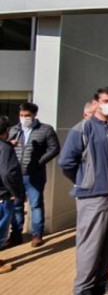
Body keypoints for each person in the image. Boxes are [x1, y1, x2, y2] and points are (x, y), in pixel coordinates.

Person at [59, 86, 108, 295]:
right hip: (93, 197)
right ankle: (84, 288)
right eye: (106, 100)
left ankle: (101, 281)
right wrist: (86, 181)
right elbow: (66, 162)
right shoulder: (83, 128)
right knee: (90, 245)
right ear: (96, 102)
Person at [7, 102, 60, 248]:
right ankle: (16, 234)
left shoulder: (45, 130)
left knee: (36, 204)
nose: (24, 118)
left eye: (27, 116)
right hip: (16, 174)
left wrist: (40, 161)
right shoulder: (13, 130)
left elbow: (54, 148)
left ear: (35, 115)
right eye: (22, 115)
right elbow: (5, 148)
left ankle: (37, 234)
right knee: (17, 205)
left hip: (34, 174)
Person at [0, 115, 24, 274]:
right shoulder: (5, 148)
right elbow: (9, 173)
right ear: (6, 131)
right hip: (2, 195)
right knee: (1, 229)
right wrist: (15, 192)